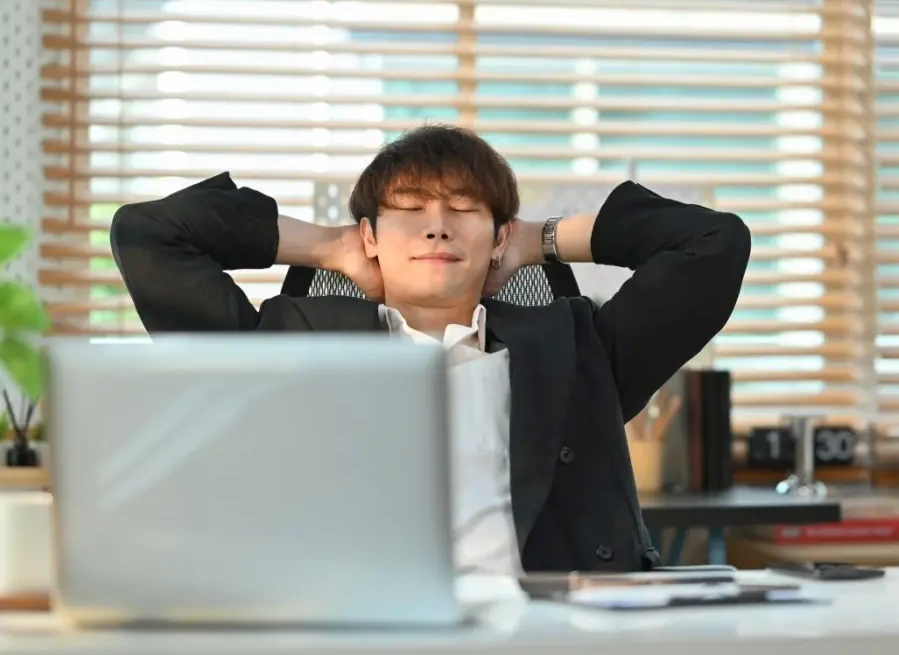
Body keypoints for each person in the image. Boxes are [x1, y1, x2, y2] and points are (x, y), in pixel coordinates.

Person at [110, 124, 751, 575]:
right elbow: (149, 234)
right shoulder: (283, 346)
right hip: (353, 631)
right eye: (410, 209)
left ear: (497, 238)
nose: (437, 224)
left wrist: (539, 239)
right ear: (371, 235)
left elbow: (712, 244)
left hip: (545, 629)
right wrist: (328, 246)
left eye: (464, 210)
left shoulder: (578, 350)